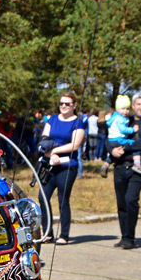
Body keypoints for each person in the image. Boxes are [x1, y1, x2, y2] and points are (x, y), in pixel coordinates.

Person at [109, 92, 141, 249]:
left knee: (131, 200)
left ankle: (130, 237)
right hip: (120, 166)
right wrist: (111, 150)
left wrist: (125, 147)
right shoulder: (125, 120)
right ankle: (124, 236)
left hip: (138, 168)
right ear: (133, 106)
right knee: (122, 202)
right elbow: (110, 136)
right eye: (138, 104)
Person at [39, 92, 86, 244]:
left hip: (67, 166)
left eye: (67, 104)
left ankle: (64, 235)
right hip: (49, 164)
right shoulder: (52, 119)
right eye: (61, 104)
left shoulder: (78, 122)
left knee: (62, 199)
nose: (64, 106)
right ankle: (47, 232)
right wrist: (49, 154)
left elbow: (75, 145)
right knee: (42, 197)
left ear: (74, 106)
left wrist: (55, 151)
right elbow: (45, 138)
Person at [107, 96, 141, 176]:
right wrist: (133, 130)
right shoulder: (120, 119)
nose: (125, 111)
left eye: (127, 109)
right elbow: (123, 130)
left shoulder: (114, 117)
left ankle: (106, 164)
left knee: (116, 151)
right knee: (134, 143)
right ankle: (137, 164)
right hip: (118, 139)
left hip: (111, 140)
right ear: (117, 109)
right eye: (123, 109)